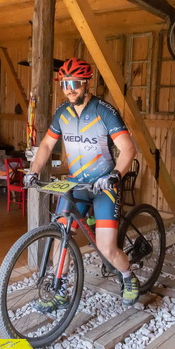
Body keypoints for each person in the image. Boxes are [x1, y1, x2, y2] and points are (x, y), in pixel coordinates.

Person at [23, 57, 138, 310]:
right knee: (61, 236)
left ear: (87, 83)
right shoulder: (62, 113)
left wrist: (114, 175)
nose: (69, 89)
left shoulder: (104, 111)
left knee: (107, 248)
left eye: (75, 83)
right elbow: (46, 145)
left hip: (104, 186)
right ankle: (60, 291)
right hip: (76, 184)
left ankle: (128, 276)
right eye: (64, 84)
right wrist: (33, 172)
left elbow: (128, 149)